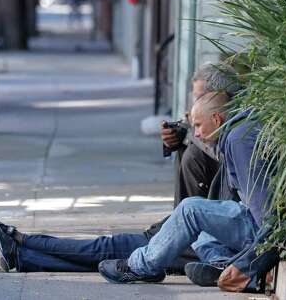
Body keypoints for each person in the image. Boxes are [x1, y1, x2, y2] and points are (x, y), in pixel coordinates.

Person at [0, 63, 241, 274]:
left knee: (108, 249)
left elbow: (223, 165)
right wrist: (176, 142)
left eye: (200, 102)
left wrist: (189, 139)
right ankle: (19, 252)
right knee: (108, 251)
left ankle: (16, 240)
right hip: (188, 228)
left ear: (219, 106)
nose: (193, 113)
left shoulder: (239, 139)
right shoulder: (215, 137)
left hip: (198, 237)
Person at [98, 91, 271, 287]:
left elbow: (266, 215)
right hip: (253, 226)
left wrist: (250, 265)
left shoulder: (238, 140)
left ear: (216, 119)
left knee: (190, 210)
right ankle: (221, 267)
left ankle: (139, 267)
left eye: (198, 125)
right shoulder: (236, 134)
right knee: (203, 230)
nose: (196, 133)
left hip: (260, 233)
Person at [163, 62, 241, 201]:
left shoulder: (238, 116)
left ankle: (192, 215)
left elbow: (223, 152)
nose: (195, 104)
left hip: (234, 191)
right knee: (185, 149)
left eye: (199, 98)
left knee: (193, 154)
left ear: (219, 95)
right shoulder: (211, 108)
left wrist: (191, 132)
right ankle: (183, 213)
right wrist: (174, 138)